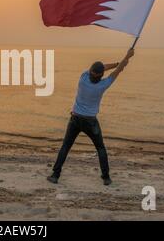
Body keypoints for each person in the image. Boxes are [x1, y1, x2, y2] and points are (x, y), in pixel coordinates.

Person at [47, 48, 135, 186]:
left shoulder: (83, 78)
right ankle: (106, 177)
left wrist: (119, 63)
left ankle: (55, 175)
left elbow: (102, 68)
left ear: (90, 72)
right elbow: (116, 71)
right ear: (101, 75)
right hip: (90, 122)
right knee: (100, 148)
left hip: (75, 119)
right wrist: (126, 58)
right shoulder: (103, 85)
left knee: (66, 146)